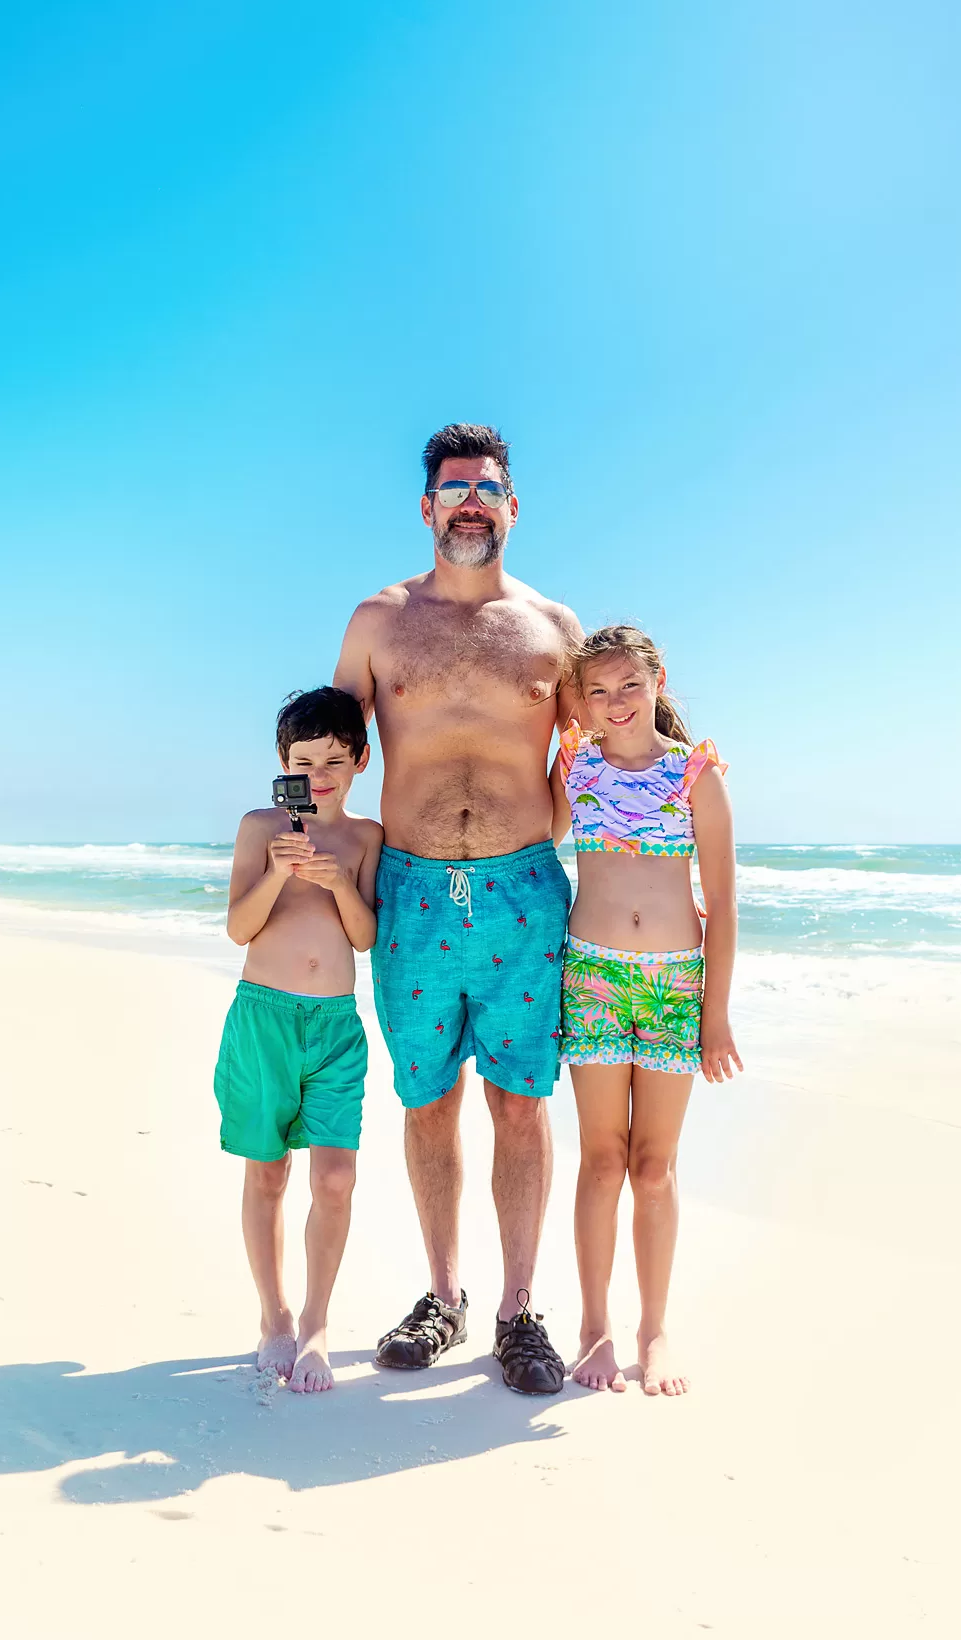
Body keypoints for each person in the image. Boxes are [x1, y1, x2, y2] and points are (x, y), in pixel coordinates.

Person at [333, 422, 581, 1394]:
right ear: (427, 507)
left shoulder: (552, 629)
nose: (469, 501)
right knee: (426, 1100)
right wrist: (306, 880)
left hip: (524, 892)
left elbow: (597, 747)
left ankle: (519, 1311)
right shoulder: (377, 622)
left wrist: (689, 768)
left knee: (519, 1104)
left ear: (511, 508)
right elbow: (330, 755)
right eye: (452, 488)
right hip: (412, 898)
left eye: (486, 488)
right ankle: (444, 1297)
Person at [550, 625, 742, 1396]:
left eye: (628, 684)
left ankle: (653, 1331)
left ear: (657, 680)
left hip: (672, 985)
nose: (615, 702)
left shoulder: (697, 775)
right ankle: (593, 1331)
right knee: (601, 1161)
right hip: (592, 977)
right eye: (596, 690)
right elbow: (529, 839)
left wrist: (714, 1014)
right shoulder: (574, 765)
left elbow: (723, 904)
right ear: (581, 702)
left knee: (654, 1168)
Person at [213, 687, 383, 1393]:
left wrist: (338, 881)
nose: (319, 775)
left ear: (360, 762)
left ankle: (316, 1323)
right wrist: (281, 870)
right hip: (263, 1018)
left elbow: (365, 936)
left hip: (335, 1024)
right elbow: (239, 928)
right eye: (304, 762)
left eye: (334, 762)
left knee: (335, 1177)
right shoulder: (260, 826)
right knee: (269, 1171)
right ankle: (274, 1316)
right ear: (282, 764)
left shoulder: (366, 838)